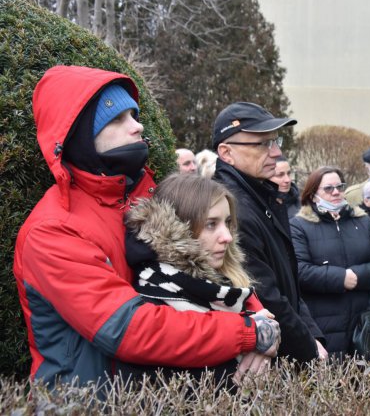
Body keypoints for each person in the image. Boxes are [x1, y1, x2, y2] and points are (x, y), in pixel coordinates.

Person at [13, 66, 273, 388]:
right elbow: (130, 329)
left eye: (134, 115)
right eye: (117, 118)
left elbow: (213, 268)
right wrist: (248, 333)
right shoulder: (52, 232)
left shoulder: (143, 193)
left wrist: (261, 321)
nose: (138, 126)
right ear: (79, 135)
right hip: (88, 403)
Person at [123, 173, 280, 383]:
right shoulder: (152, 295)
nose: (228, 237)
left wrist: (266, 336)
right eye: (210, 224)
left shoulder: (228, 282)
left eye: (227, 222)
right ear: (176, 228)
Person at [213, 102, 328, 362]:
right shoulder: (230, 209)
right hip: (261, 358)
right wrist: (309, 349)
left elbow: (289, 286)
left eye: (276, 142)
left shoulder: (263, 196)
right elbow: (265, 295)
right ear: (226, 153)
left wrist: (312, 334)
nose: (276, 153)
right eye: (263, 144)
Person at [289, 167, 370, 355]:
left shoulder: (362, 221)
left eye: (339, 186)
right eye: (328, 189)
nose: (336, 192)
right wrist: (340, 278)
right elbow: (300, 271)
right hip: (323, 324)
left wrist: (357, 276)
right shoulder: (299, 226)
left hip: (365, 324)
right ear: (312, 195)